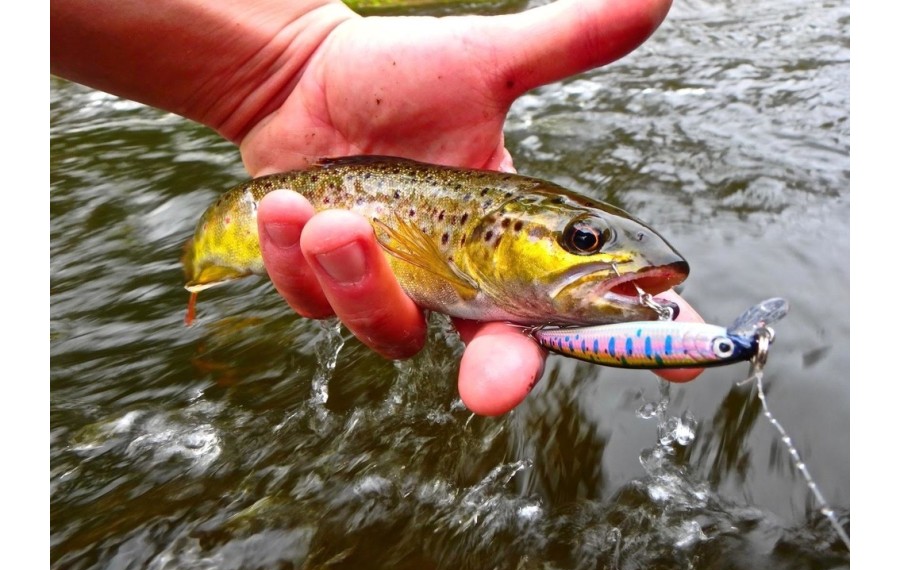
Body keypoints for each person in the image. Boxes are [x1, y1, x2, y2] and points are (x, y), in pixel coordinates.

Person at [51, 0, 701, 416]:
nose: (604, 256)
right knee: (257, 248)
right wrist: (286, 62)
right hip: (245, 217)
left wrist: (280, 62)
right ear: (484, 238)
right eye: (583, 241)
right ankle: (202, 282)